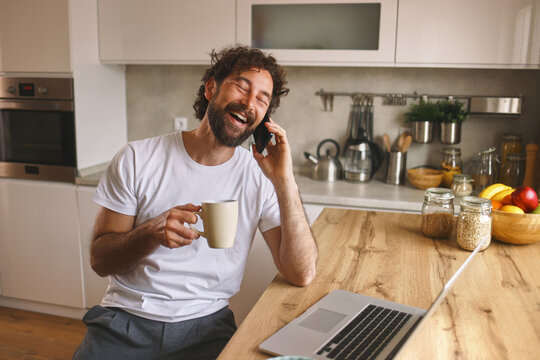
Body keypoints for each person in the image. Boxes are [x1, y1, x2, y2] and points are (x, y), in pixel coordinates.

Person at [73, 45, 318, 360]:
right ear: (212, 87)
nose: (248, 102)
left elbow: (301, 273)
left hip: (207, 328)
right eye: (241, 86)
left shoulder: (259, 175)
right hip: (125, 321)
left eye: (261, 98)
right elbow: (100, 260)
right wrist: (150, 233)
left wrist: (285, 180)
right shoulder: (136, 158)